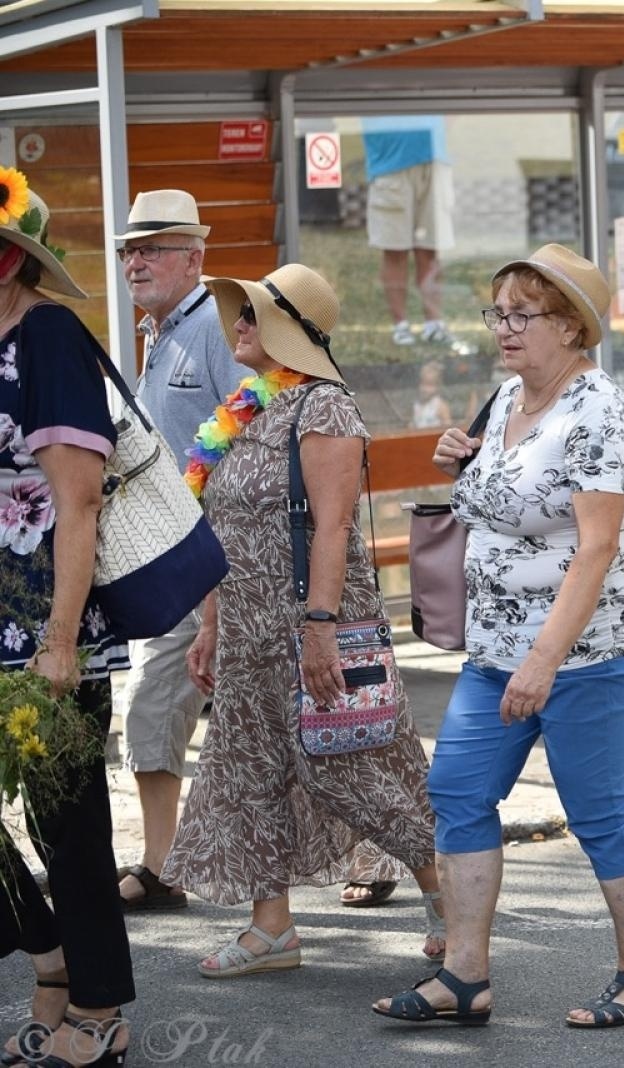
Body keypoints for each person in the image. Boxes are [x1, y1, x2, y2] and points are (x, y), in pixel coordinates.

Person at [376, 244, 624, 1028]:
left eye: (522, 314)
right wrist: (462, 462)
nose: (504, 328)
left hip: (585, 651)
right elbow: (508, 501)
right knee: (457, 793)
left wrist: (543, 662)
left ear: (570, 327)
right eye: (497, 313)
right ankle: (464, 976)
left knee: (599, 812)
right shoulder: (509, 396)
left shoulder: (599, 411)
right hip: (495, 648)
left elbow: (596, 548)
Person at [165, 264, 445, 977]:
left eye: (252, 315)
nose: (237, 325)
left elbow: (332, 528)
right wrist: (210, 625)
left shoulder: (325, 409)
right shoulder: (248, 408)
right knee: (251, 775)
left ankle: (449, 893)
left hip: (311, 628)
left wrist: (320, 627)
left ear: (288, 329)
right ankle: (272, 931)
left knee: (346, 770)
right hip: (247, 634)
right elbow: (222, 528)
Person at [0, 176, 135, 1067]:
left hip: (48, 628)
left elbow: (79, 503)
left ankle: (98, 1004)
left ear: (10, 260)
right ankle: (48, 955)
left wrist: (59, 644)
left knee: (69, 826)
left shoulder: (46, 336)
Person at [109, 189, 249, 913]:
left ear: (194, 258)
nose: (136, 262)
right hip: (175, 563)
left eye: (153, 249)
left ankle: (370, 850)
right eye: (129, 251)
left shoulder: (219, 328)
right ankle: (162, 868)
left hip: (234, 561)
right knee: (150, 704)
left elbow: (254, 429)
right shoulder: (157, 331)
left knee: (287, 718)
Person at [361, 115, 472, 355]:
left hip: (434, 159)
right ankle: (400, 326)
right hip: (390, 162)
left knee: (430, 251)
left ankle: (434, 324)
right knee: (395, 251)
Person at [411, 360, 451, 429]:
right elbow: (413, 424)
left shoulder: (440, 405)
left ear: (437, 386)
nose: (425, 389)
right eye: (423, 384)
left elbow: (448, 427)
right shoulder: (417, 405)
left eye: (429, 385)